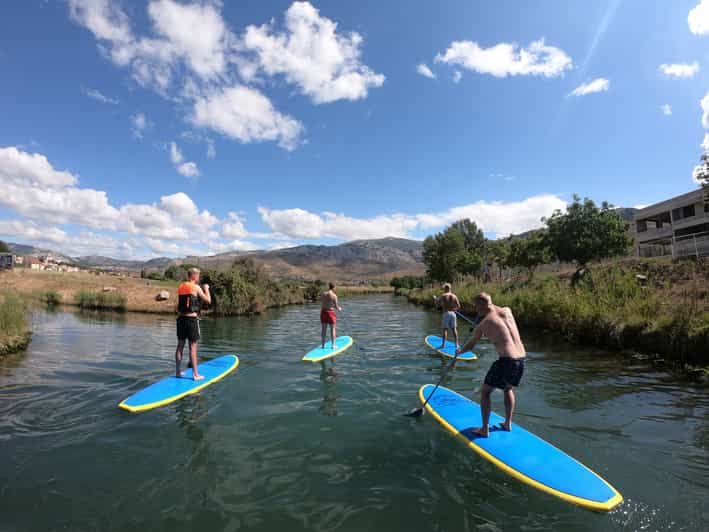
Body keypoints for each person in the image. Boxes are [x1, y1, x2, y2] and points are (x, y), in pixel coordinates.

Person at [456, 292, 526, 437]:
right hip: (521, 359)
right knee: (508, 389)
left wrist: (460, 351)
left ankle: (484, 429)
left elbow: (471, 345)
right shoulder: (507, 310)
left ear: (481, 305)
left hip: (506, 361)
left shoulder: (484, 323)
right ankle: (507, 423)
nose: (476, 310)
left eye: (476, 306)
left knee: (486, 392)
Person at [175, 268, 211, 380]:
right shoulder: (196, 287)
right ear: (194, 276)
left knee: (180, 346)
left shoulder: (181, 286)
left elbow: (179, 305)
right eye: (198, 275)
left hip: (181, 319)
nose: (199, 278)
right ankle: (195, 375)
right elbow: (208, 300)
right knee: (192, 347)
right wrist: (206, 289)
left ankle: (178, 372)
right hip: (191, 320)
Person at [437, 283, 461, 349]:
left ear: (445, 288)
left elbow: (438, 305)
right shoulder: (454, 296)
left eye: (444, 288)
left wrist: (436, 300)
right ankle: (457, 344)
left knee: (445, 330)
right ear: (450, 288)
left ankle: (443, 345)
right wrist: (454, 309)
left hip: (446, 313)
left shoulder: (443, 296)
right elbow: (458, 306)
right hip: (453, 314)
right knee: (454, 329)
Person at [320, 282, 342, 349]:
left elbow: (322, 302)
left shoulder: (323, 294)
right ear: (334, 287)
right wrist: (339, 308)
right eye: (335, 288)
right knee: (332, 329)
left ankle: (323, 345)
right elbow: (336, 307)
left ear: (329, 287)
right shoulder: (334, 296)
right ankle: (333, 345)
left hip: (323, 311)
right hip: (330, 312)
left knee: (323, 329)